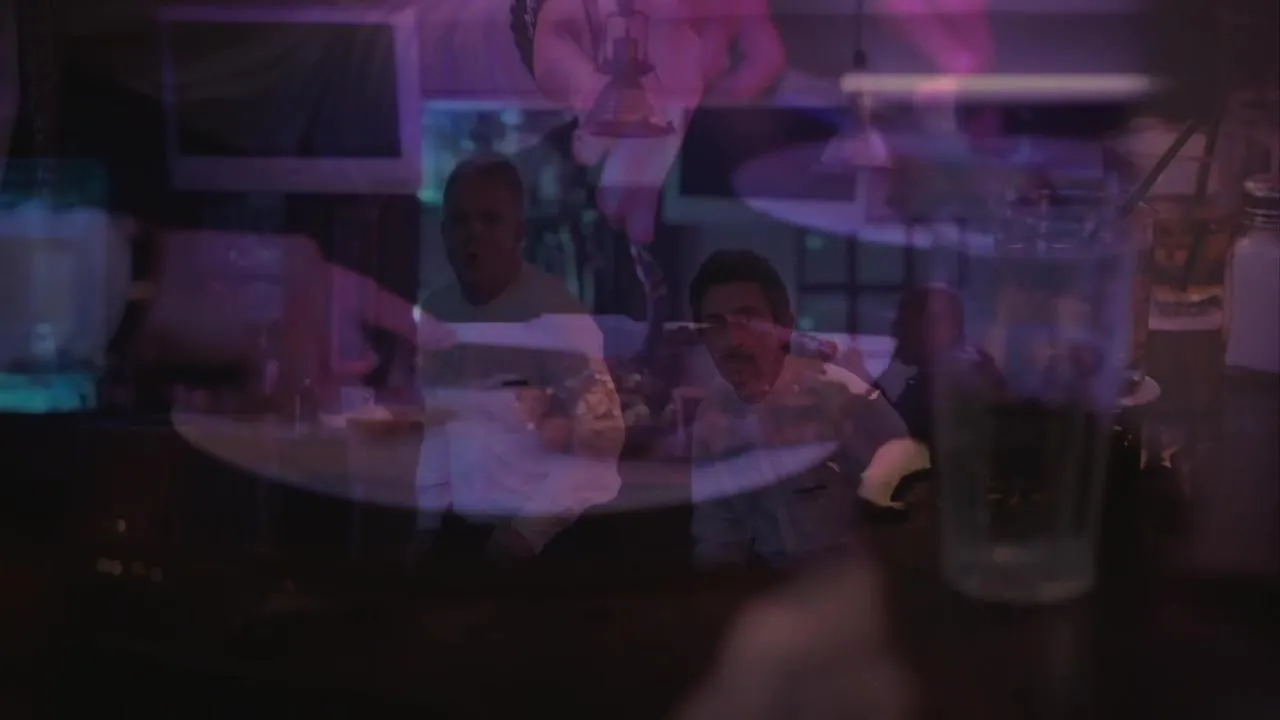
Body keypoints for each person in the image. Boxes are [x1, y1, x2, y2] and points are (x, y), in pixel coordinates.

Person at [410, 154, 626, 565]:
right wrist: (427, 526)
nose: (473, 233)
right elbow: (438, 431)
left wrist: (528, 532)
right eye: (460, 220)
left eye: (489, 219)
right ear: (444, 232)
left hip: (545, 545)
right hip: (462, 535)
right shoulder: (437, 313)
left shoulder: (556, 316)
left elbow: (601, 443)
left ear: (518, 232)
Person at [686, 250, 929, 569]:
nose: (733, 340)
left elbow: (914, 507)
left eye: (748, 320)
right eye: (715, 324)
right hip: (770, 589)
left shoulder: (842, 399)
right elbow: (718, 536)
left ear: (784, 327)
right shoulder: (714, 415)